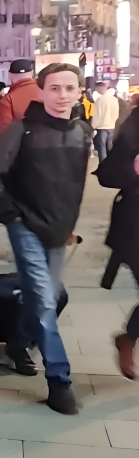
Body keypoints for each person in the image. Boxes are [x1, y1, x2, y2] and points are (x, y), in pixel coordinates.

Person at [0, 63, 91, 414]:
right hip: (25, 226)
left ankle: (17, 343)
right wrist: (13, 217)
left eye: (69, 89)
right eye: (54, 88)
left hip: (57, 230)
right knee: (44, 298)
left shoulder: (81, 133)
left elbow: (72, 186)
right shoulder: (22, 131)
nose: (62, 96)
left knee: (44, 294)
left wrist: (67, 225)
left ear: (78, 93)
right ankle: (60, 380)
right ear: (41, 91)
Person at [95, 102, 139, 380]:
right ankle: (129, 338)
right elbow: (107, 172)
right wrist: (134, 171)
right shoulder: (136, 124)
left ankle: (130, 336)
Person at [0, 59, 42, 136]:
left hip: (24, 145)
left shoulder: (8, 100)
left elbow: (3, 130)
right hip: (53, 143)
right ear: (31, 73)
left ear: (10, 74)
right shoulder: (47, 92)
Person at [92, 81, 120, 162]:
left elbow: (97, 114)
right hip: (112, 126)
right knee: (110, 146)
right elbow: (116, 114)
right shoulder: (115, 100)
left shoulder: (100, 99)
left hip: (101, 126)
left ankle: (103, 165)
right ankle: (112, 163)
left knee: (102, 147)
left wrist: (93, 126)